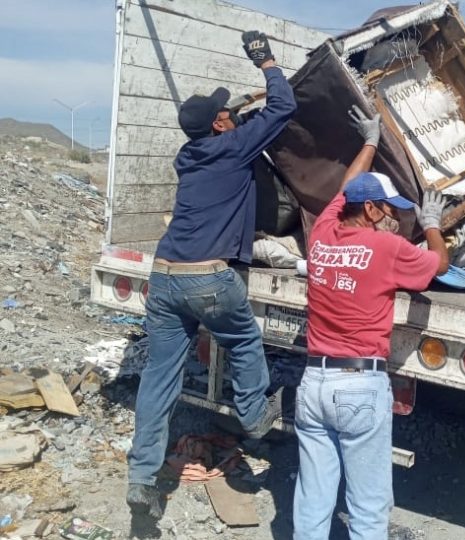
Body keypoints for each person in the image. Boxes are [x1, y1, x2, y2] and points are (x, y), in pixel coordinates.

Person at [126, 31, 296, 518]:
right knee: (242, 342)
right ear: (221, 125)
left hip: (163, 275)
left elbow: (224, 129)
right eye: (225, 114)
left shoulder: (190, 154)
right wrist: (265, 62)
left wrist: (233, 112)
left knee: (159, 376)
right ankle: (254, 416)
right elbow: (282, 107)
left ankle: (142, 479)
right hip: (208, 278)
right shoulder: (235, 147)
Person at [292, 105, 449, 540]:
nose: (392, 214)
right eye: (389, 208)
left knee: (313, 494)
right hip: (360, 386)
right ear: (375, 208)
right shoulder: (386, 249)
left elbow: (346, 190)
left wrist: (370, 142)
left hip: (314, 384)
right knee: (368, 503)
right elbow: (439, 264)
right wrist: (432, 225)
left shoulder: (322, 234)